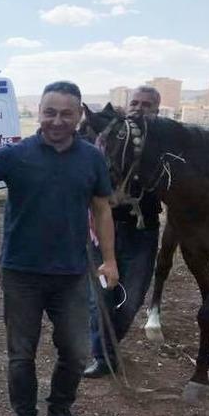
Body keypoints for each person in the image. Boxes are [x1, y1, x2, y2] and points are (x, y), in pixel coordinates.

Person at [0, 81, 118, 416]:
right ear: (38, 113)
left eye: (66, 114)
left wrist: (110, 260)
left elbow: (102, 210)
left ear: (79, 115)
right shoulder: (16, 154)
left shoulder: (91, 158)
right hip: (21, 273)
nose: (56, 120)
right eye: (49, 112)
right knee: (21, 354)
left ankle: (59, 408)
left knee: (77, 352)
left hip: (72, 274)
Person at [84, 85, 162, 379]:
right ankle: (103, 356)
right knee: (101, 298)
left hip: (143, 230)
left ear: (157, 110)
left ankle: (108, 344)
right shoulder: (106, 137)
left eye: (147, 104)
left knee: (131, 300)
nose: (139, 108)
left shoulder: (163, 146)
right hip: (103, 229)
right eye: (135, 103)